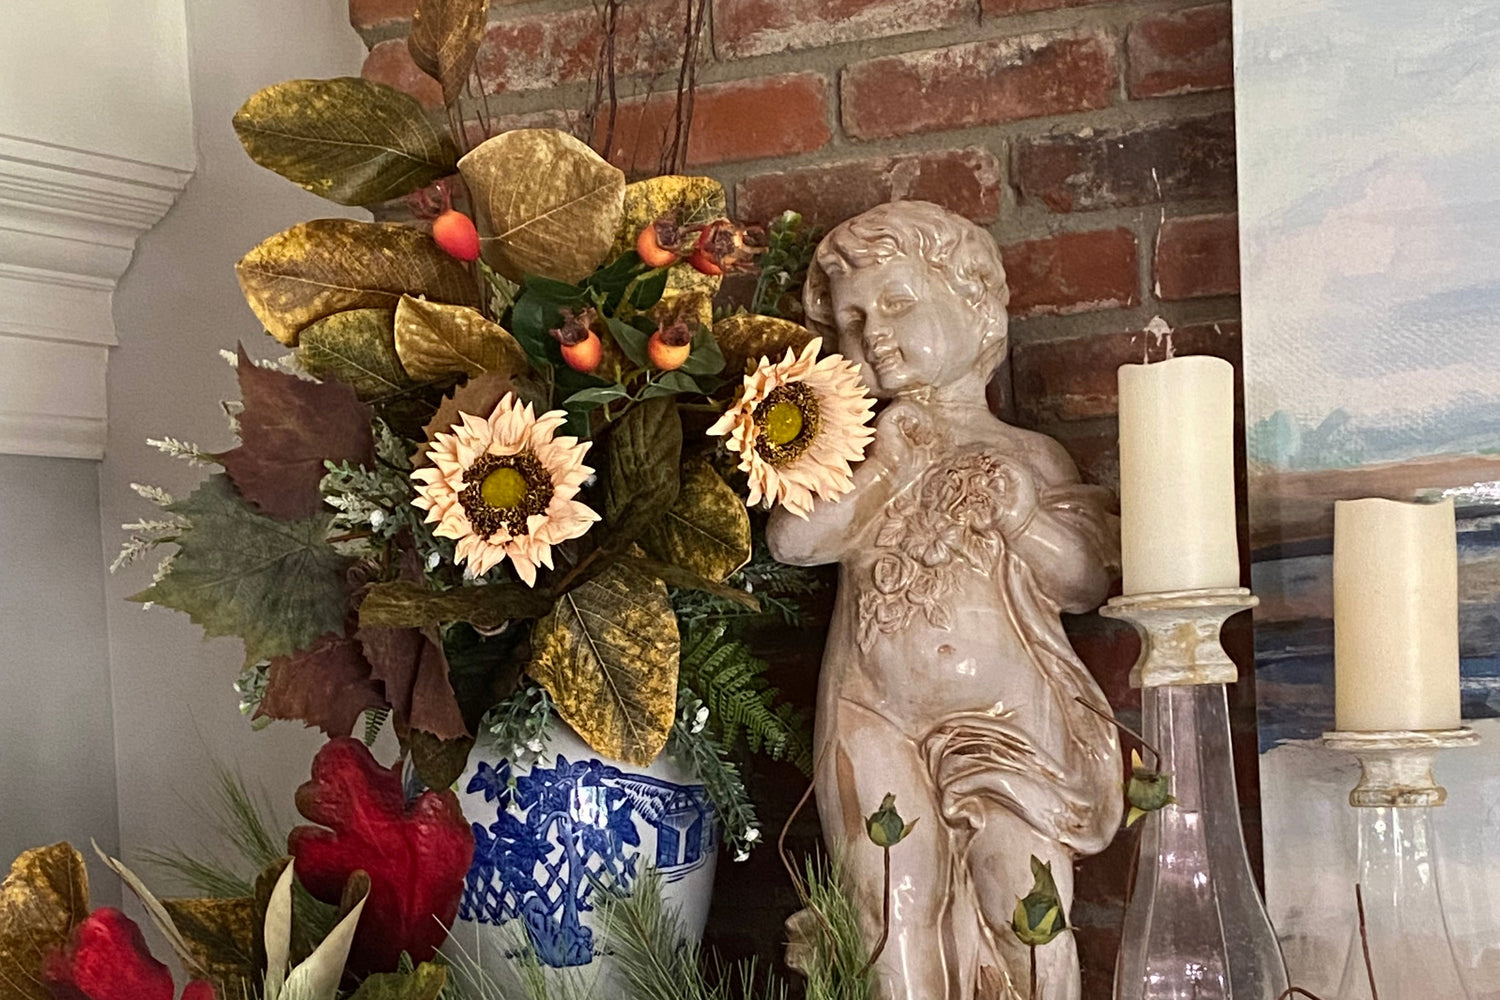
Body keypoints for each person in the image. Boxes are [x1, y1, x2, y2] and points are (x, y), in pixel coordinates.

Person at [768, 201, 1123, 1000]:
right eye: (852, 321)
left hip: (1007, 728)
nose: (873, 334)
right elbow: (793, 541)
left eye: (896, 303)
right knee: (888, 903)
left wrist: (1021, 515)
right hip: (873, 716)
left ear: (975, 304)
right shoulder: (857, 458)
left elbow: (1084, 581)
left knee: (1022, 900)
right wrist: (886, 468)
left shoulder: (1028, 456)